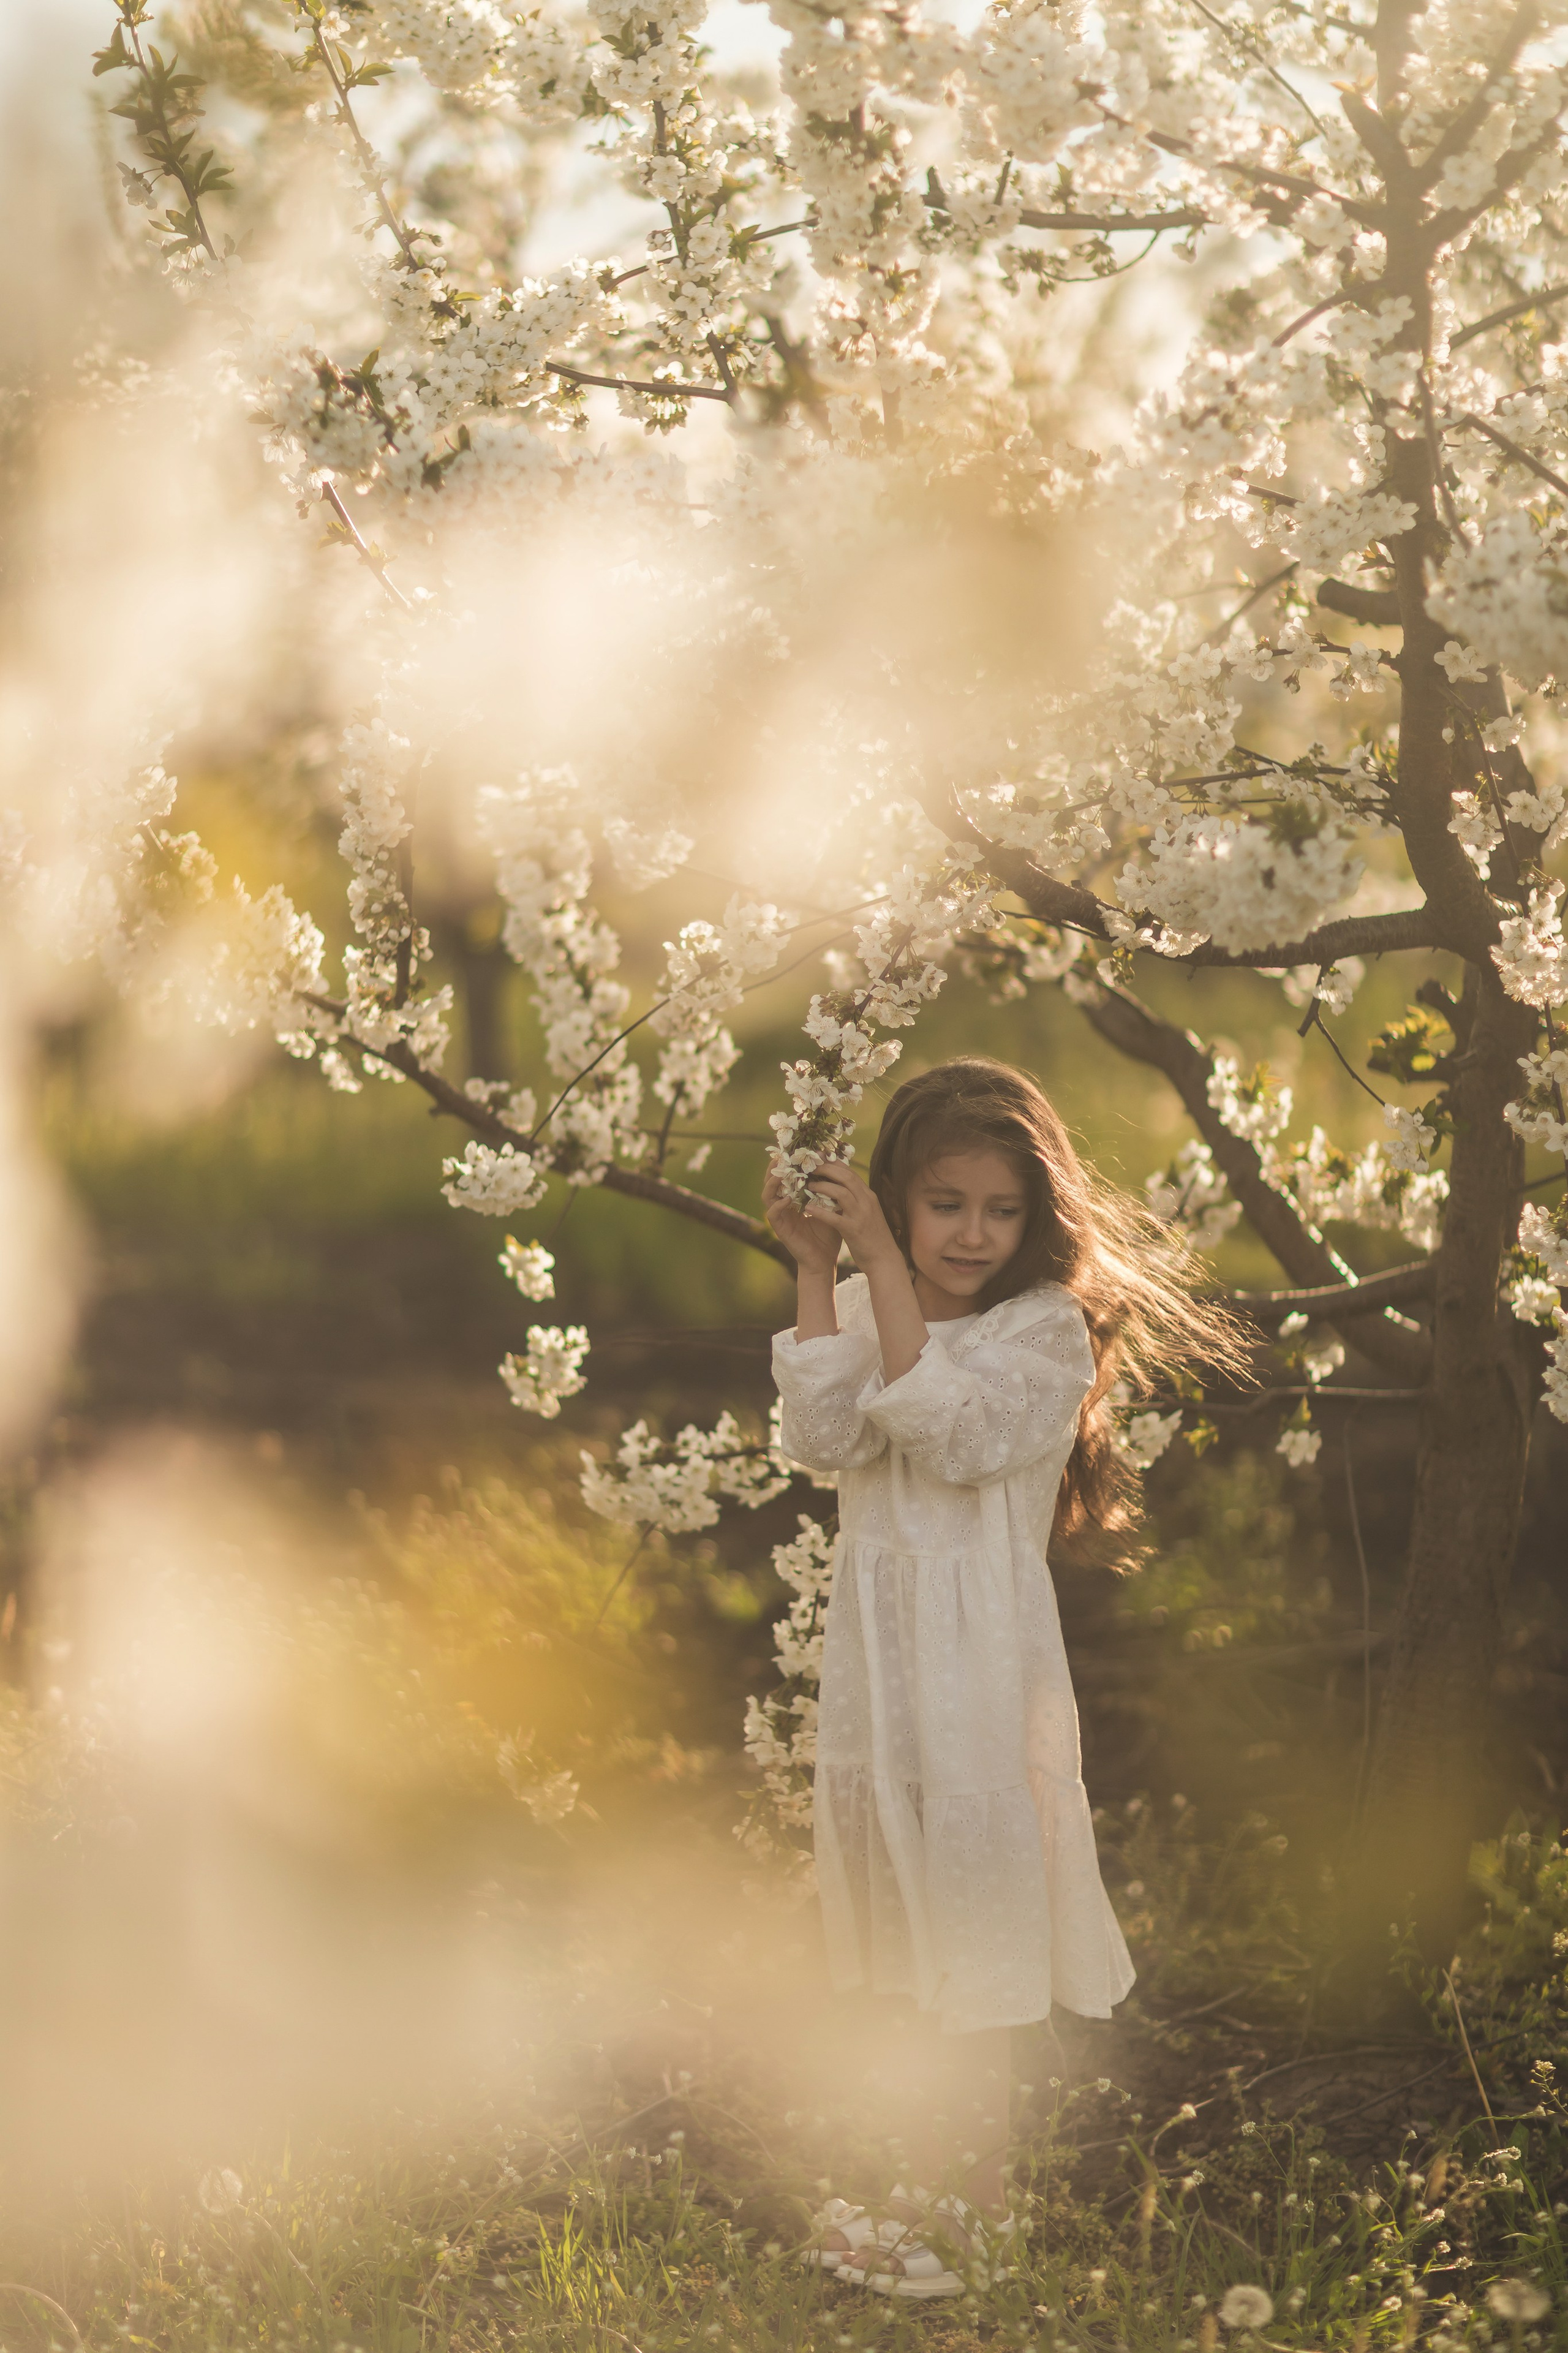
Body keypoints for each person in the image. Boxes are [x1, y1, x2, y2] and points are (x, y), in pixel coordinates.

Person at [761, 1056, 1245, 2299]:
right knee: (907, 1946)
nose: (970, 1233)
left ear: (1036, 1220)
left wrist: (876, 1265)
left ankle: (974, 2219)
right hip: (882, 1679)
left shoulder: (1043, 1334)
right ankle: (919, 2193)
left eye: (999, 1209)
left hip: (977, 1683)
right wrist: (818, 1269)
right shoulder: (868, 1306)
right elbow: (821, 1438)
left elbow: (954, 1430)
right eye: (941, 1205)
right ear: (895, 1199)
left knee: (972, 1945)